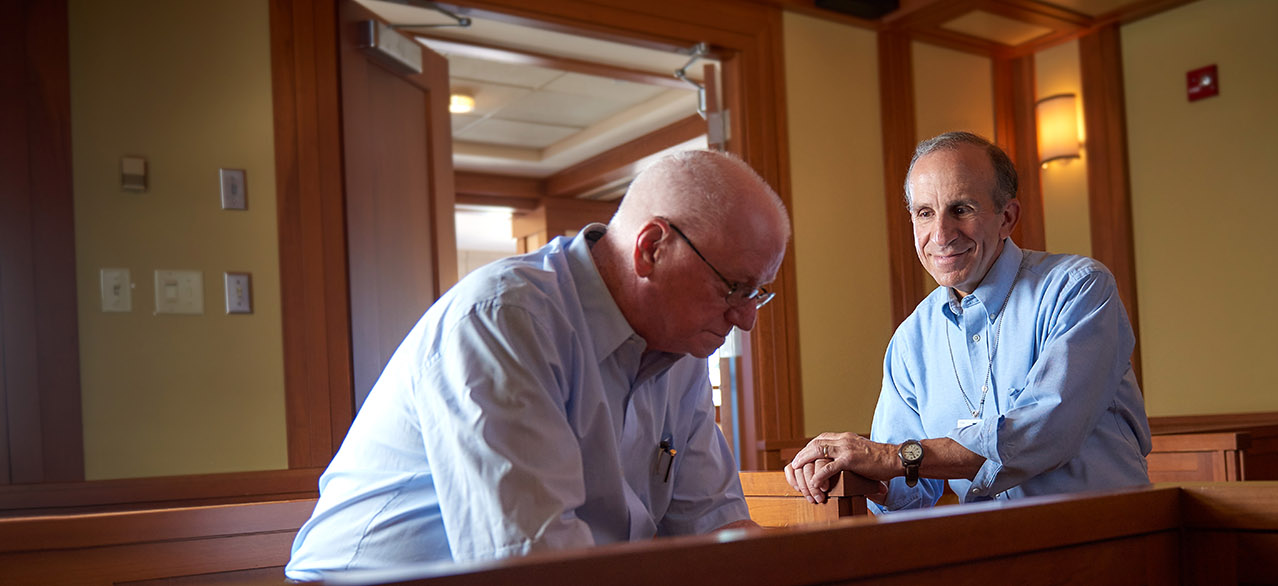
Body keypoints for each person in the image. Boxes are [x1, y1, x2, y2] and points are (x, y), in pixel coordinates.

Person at [286, 150, 789, 580]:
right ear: (651, 248)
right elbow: (534, 567)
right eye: (734, 288)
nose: (745, 320)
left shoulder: (682, 348)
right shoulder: (502, 320)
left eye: (758, 294)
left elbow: (716, 531)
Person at [783, 132, 1150, 511]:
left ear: (1007, 217)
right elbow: (905, 489)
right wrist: (847, 473)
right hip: (985, 549)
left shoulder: (1077, 288)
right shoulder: (912, 339)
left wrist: (890, 459)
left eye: (961, 209)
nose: (940, 235)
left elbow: (1045, 432)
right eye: (925, 213)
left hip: (1106, 536)